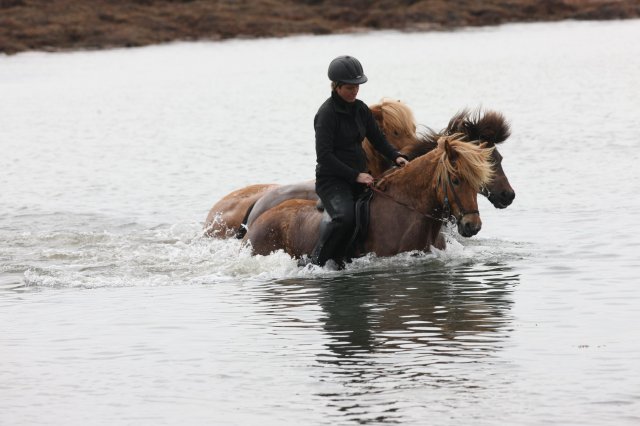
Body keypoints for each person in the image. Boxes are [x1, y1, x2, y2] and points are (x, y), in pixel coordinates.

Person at [309, 55, 409, 267]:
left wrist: (396, 156)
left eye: (357, 86)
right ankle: (316, 262)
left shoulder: (361, 109)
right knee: (344, 217)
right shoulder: (326, 115)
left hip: (360, 178)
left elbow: (378, 139)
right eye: (349, 87)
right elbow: (324, 157)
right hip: (332, 182)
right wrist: (355, 175)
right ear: (336, 87)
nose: (354, 91)